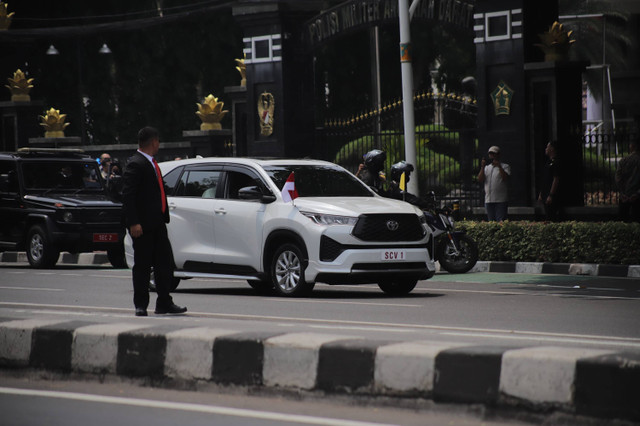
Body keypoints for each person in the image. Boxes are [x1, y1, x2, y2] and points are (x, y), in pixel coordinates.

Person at [122, 127, 187, 317]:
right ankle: (140, 304)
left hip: (158, 223)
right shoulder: (136, 163)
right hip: (142, 226)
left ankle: (164, 303)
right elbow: (128, 195)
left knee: (164, 264)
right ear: (154, 142)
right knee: (142, 265)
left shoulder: (151, 163)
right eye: (158, 141)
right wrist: (133, 222)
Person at [477, 145, 511, 221]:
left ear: (498, 155)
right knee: (491, 221)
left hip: (500, 200)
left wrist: (499, 166)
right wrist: (482, 167)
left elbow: (505, 178)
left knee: (501, 221)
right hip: (489, 199)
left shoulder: (505, 166)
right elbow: (480, 179)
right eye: (490, 154)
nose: (492, 156)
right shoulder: (487, 168)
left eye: (494, 154)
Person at [615, 139, 640, 222]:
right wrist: (637, 193)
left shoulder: (623, 161)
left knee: (623, 220)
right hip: (637, 195)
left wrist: (622, 193)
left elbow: (618, 178)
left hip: (625, 195)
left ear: (632, 146)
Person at [538, 140, 562, 220]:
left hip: (551, 196)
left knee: (551, 216)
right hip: (545, 193)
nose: (546, 149)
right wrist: (541, 193)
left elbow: (556, 179)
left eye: (547, 147)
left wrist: (551, 195)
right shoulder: (548, 162)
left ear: (552, 149)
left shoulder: (556, 163)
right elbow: (545, 179)